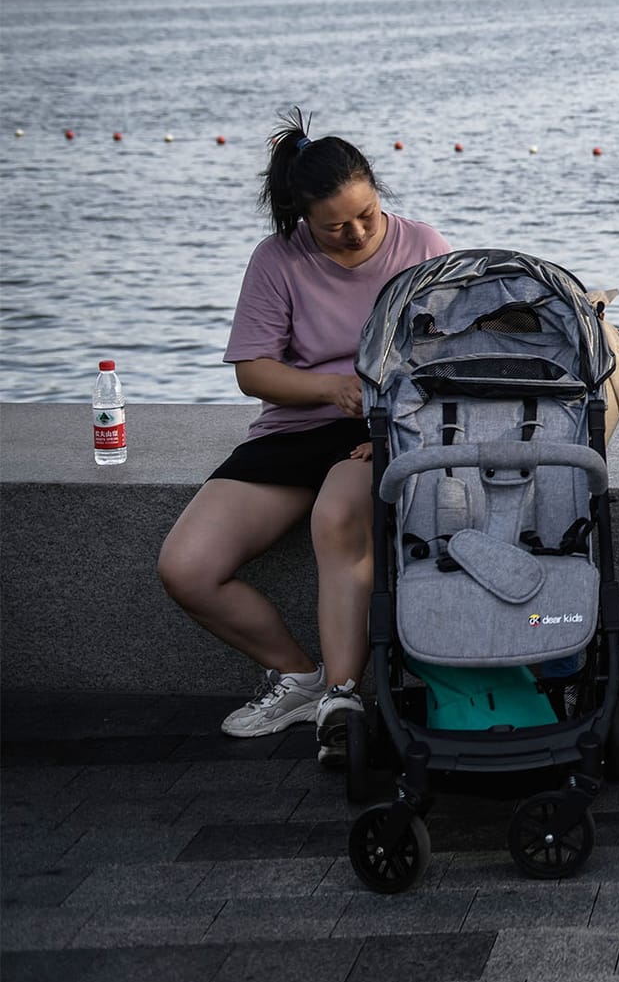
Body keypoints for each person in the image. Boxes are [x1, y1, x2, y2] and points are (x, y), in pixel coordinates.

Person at [157, 114, 450, 765]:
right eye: (336, 227)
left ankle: (342, 700)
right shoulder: (276, 259)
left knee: (336, 516)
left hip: (383, 431)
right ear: (300, 217)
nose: (357, 234)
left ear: (377, 192)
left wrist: (395, 425)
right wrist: (327, 388)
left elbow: (449, 360)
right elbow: (252, 370)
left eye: (367, 215)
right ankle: (300, 678)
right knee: (186, 567)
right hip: (296, 428)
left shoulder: (424, 245)